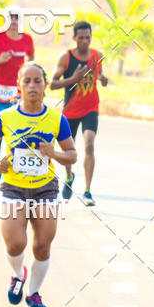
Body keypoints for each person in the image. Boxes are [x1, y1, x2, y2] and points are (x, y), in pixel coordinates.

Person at [0, 63, 77, 307]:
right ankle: (17, 274)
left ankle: (34, 293)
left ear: (45, 85)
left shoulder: (57, 119)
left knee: (42, 245)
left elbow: (72, 154)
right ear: (19, 86)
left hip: (45, 188)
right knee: (14, 243)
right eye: (27, 81)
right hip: (13, 187)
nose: (32, 86)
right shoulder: (6, 118)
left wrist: (53, 153)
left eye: (37, 81)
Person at [50, 20, 108, 206]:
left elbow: (98, 73)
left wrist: (102, 78)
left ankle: (88, 192)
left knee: (89, 145)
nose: (85, 41)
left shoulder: (97, 55)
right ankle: (69, 177)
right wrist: (74, 79)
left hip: (91, 107)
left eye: (88, 37)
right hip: (70, 110)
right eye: (81, 38)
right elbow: (52, 83)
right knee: (69, 149)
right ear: (74, 38)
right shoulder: (65, 58)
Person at [0, 5, 35, 181]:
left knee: (18, 129)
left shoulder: (27, 39)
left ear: (21, 20)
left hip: (18, 93)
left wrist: (28, 78)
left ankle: (17, 164)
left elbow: (31, 61)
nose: (14, 21)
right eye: (10, 17)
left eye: (17, 17)